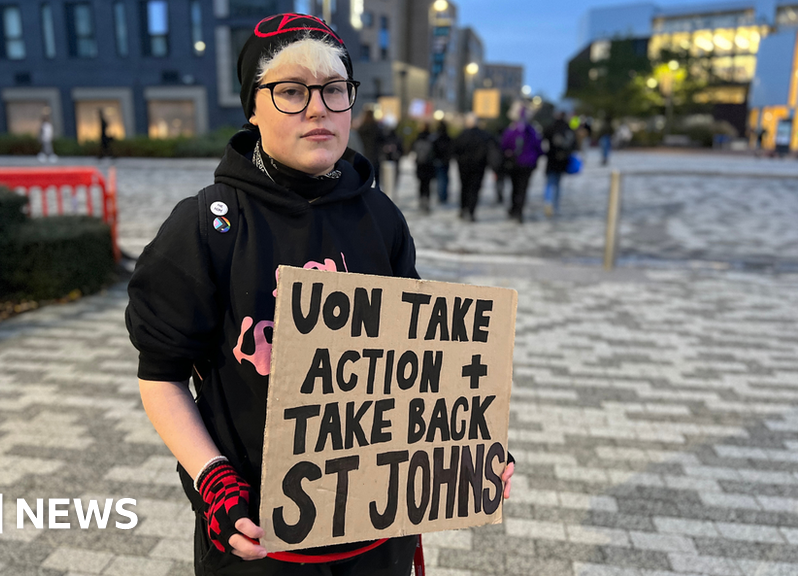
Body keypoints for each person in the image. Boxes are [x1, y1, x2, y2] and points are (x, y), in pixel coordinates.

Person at [125, 13, 517, 576]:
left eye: (334, 90)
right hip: (261, 536)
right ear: (252, 107)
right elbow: (161, 374)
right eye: (290, 91)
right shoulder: (205, 226)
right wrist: (211, 476)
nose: (317, 108)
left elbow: (415, 363)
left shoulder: (380, 217)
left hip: (379, 530)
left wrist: (464, 446)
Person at [501, 107, 542, 223]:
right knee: (522, 188)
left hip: (515, 163)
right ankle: (518, 211)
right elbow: (539, 148)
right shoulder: (532, 131)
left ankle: (515, 209)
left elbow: (504, 145)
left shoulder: (512, 130)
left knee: (515, 187)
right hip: (527, 164)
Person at [452, 113, 495, 222]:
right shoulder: (484, 135)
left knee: (464, 188)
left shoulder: (462, 135)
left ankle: (463, 209)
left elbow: (454, 150)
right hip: (478, 167)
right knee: (474, 189)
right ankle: (471, 211)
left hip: (464, 166)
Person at [543, 112, 576, 218]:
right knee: (557, 184)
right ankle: (556, 206)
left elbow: (544, 140)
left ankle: (548, 202)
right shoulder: (567, 129)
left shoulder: (551, 127)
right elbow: (573, 144)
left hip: (551, 159)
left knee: (549, 183)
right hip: (562, 160)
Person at [412, 123, 436, 213]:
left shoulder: (418, 138)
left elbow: (413, 149)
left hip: (420, 164)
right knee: (428, 185)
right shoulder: (432, 138)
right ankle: (427, 201)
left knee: (421, 184)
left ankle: (421, 200)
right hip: (429, 164)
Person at [356, 108, 382, 176]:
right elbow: (381, 140)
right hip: (375, 155)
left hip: (363, 154)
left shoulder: (361, 129)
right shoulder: (376, 128)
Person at [432, 120, 452, 205]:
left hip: (438, 160)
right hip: (445, 160)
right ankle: (443, 196)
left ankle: (441, 196)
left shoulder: (435, 137)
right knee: (444, 179)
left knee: (440, 179)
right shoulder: (447, 137)